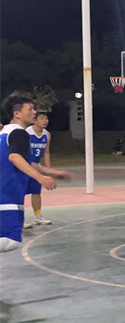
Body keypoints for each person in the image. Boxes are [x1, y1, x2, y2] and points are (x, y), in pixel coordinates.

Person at [1, 93, 70, 253]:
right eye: (30, 109)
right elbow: (15, 157)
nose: (34, 112)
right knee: (9, 241)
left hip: (7, 195)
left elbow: (30, 162)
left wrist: (53, 173)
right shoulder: (19, 133)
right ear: (17, 114)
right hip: (7, 197)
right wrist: (40, 178)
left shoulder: (5, 133)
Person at [24, 111, 53, 227]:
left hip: (36, 168)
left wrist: (48, 169)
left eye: (46, 118)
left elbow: (46, 152)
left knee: (36, 192)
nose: (45, 121)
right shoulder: (26, 133)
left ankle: (37, 216)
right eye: (42, 118)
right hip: (24, 167)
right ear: (34, 120)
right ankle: (20, 218)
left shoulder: (47, 135)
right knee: (21, 192)